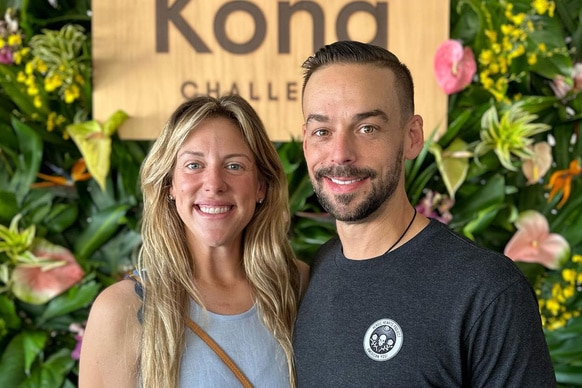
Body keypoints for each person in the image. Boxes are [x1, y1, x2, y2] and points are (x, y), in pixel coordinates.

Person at [292, 41, 556, 387]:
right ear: (306, 144)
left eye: (367, 128)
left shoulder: (485, 290)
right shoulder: (316, 272)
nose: (340, 154)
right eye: (322, 131)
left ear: (412, 137)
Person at [79, 94, 309, 387]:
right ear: (170, 185)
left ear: (261, 186)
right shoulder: (121, 309)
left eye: (234, 166)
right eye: (193, 165)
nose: (214, 184)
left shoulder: (298, 287)